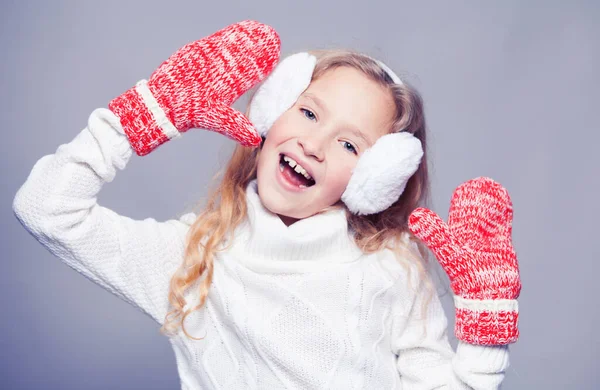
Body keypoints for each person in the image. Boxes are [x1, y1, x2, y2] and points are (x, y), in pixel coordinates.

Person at [12, 20, 521, 389]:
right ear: (270, 113)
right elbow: (44, 207)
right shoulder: (193, 258)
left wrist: (484, 342)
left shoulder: (392, 271)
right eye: (307, 113)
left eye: (349, 145)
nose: (314, 145)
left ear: (374, 179)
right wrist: (141, 115)